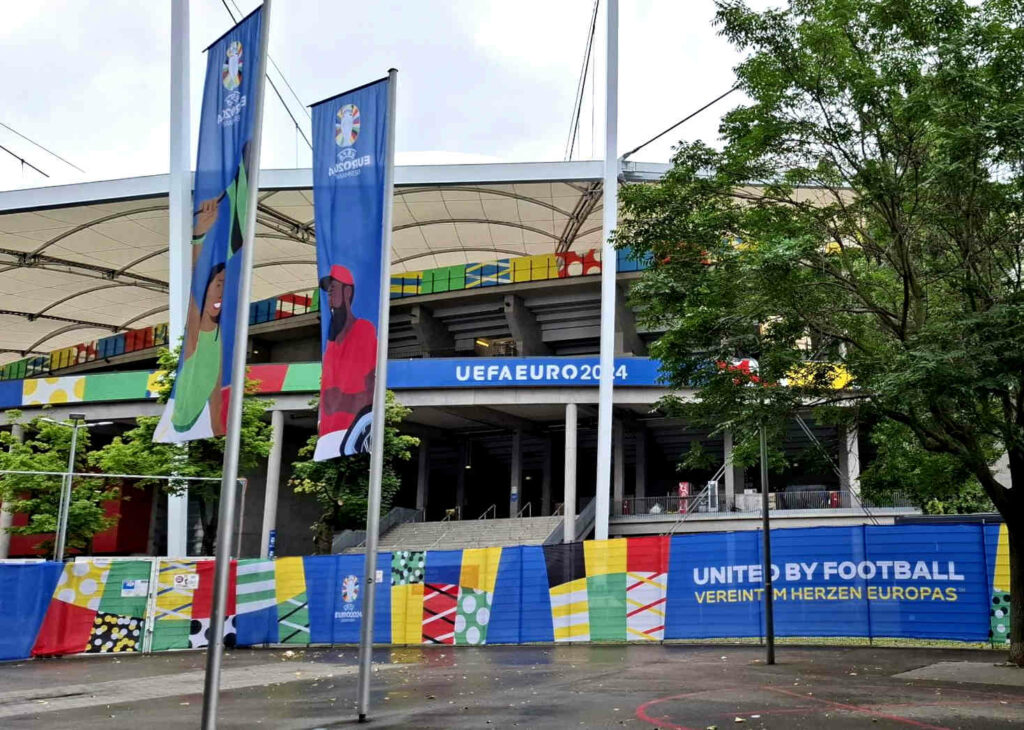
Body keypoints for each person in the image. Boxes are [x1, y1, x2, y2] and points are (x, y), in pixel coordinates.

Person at [318, 264, 376, 455]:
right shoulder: (331, 342)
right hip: (330, 434)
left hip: (354, 431)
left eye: (333, 289)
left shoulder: (364, 330)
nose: (329, 297)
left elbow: (370, 389)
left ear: (348, 291)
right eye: (327, 292)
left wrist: (342, 398)